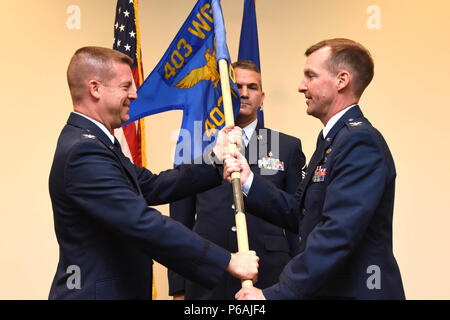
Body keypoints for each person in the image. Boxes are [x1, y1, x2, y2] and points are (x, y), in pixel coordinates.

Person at [48, 46, 259, 300]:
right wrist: (227, 260)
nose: (135, 94)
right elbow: (141, 222)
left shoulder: (97, 144)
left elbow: (154, 185)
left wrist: (215, 160)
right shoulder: (83, 152)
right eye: (126, 86)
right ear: (95, 89)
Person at [224, 38, 405, 299]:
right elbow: (303, 215)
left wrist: (274, 294)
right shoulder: (332, 140)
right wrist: (249, 180)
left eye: (310, 75)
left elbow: (336, 234)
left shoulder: (359, 141)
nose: (301, 86)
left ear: (341, 80)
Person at [168, 60, 306, 299]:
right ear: (224, 93)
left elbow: (297, 220)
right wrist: (178, 286)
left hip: (270, 273)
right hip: (207, 271)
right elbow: (180, 222)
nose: (243, 93)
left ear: (262, 97)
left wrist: (299, 282)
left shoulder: (287, 147)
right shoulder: (195, 144)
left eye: (252, 87)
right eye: (237, 87)